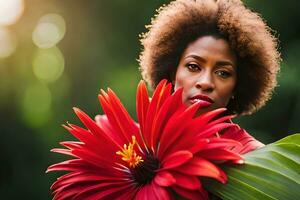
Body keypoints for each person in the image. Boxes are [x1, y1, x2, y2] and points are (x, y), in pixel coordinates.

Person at [138, 0, 280, 152]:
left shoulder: (253, 157)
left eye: (223, 73)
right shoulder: (137, 142)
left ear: (236, 86)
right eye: (193, 67)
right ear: (173, 73)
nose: (206, 82)